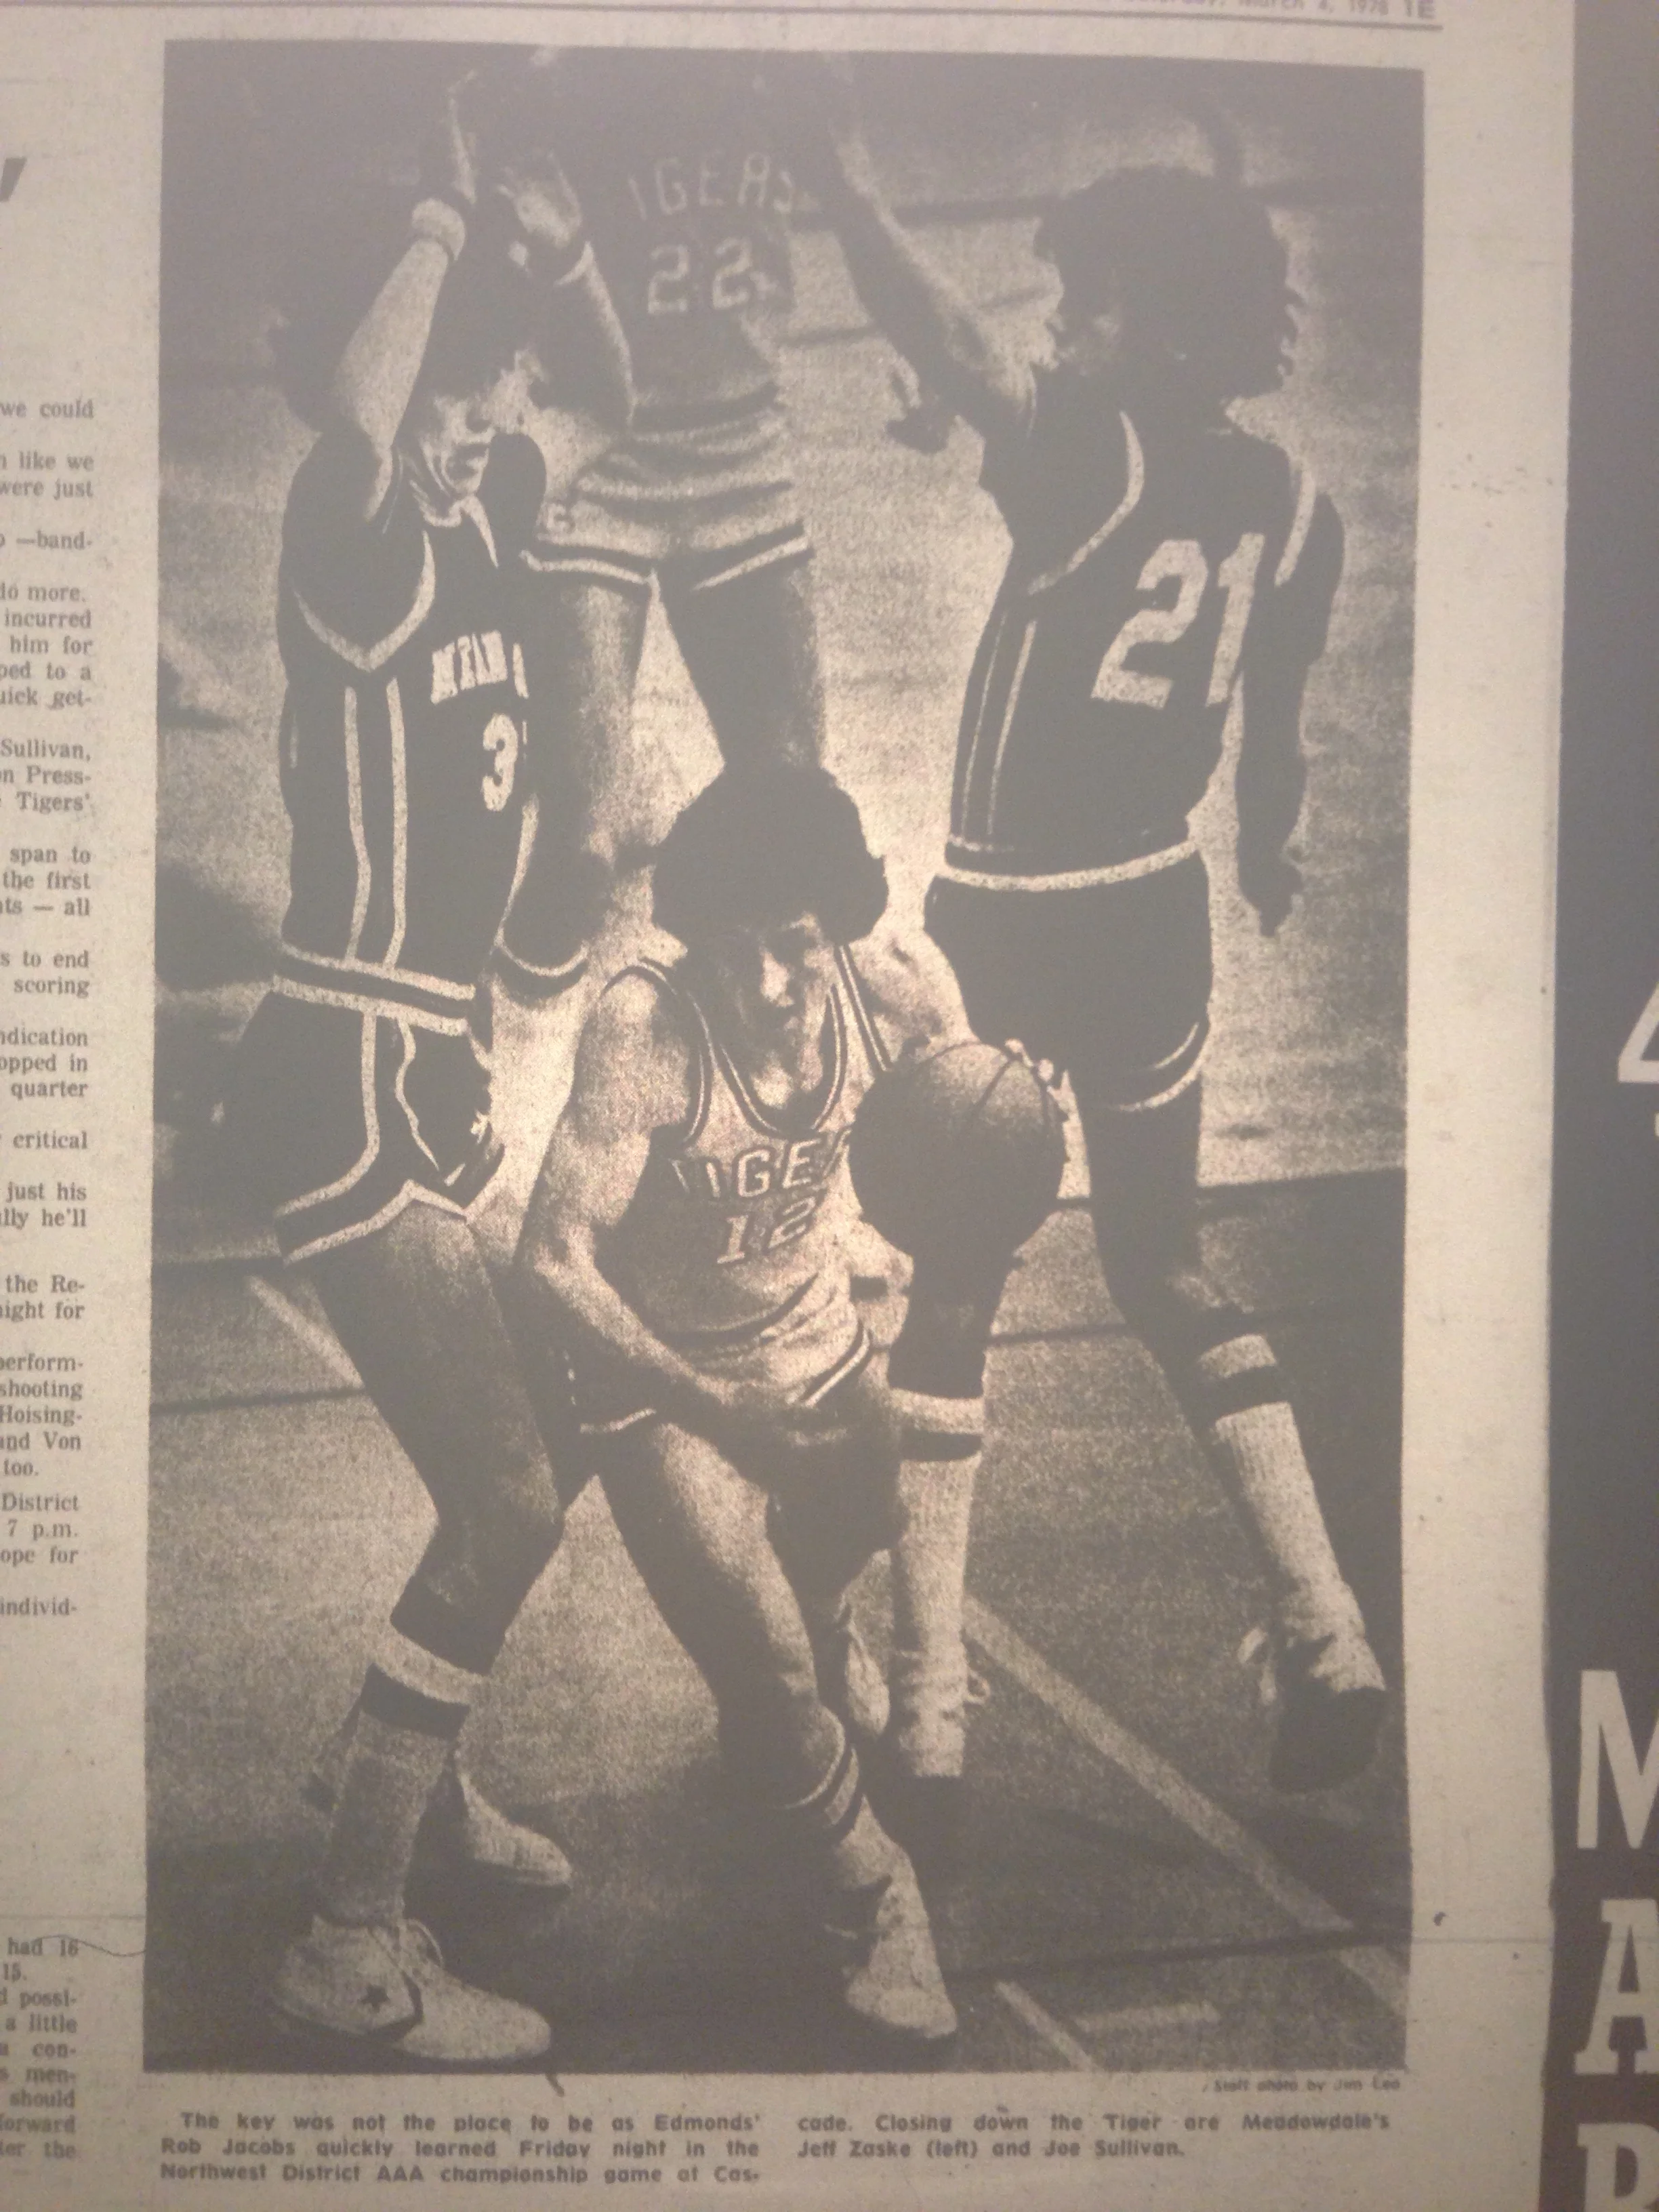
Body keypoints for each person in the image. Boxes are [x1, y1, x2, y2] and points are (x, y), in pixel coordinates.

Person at [792, 70, 1387, 1796]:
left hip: (1005, 923)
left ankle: (930, 1702)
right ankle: (1325, 1616)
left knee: (953, 1282)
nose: (1058, 329)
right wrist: (1271, 858)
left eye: (1086, 307)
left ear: (1161, 334)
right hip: (1159, 913)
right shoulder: (1297, 509)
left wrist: (844, 183)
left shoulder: (1089, 456)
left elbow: (953, 339)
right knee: (1163, 1263)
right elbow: (1273, 749)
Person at [222, 81, 632, 2062]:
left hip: (435, 1071)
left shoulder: (491, 513)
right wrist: (444, 226)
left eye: (493, 393)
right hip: (344, 1072)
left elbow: (610, 397)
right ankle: (346, 1933)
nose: (482, 419)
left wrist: (558, 249)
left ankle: (410, 1763)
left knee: (531, 1428)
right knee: (506, 1502)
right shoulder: (356, 536)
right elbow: (372, 424)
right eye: (454, 394)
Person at [514, 764, 980, 2044]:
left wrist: (963, 1198)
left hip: (810, 1334)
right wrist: (717, 1410)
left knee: (862, 1528)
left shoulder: (901, 986)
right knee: (764, 1670)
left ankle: (813, 1658)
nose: (769, 983)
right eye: (735, 951)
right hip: (656, 1371)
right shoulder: (645, 1028)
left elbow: (973, 1150)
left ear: (841, 923)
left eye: (794, 944)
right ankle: (875, 1897)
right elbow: (553, 1259)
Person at [492, 49, 830, 903]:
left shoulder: (797, 64)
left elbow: (856, 195)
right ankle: (542, 997)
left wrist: (929, 372)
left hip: (743, 452)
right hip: (601, 454)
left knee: (794, 806)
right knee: (583, 839)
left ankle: (735, 980)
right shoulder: (562, 78)